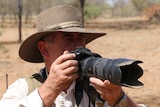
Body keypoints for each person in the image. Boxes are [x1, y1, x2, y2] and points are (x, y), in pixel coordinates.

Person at [0, 5, 146, 107]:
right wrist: (51, 88)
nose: (78, 46)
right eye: (68, 38)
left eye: (80, 38)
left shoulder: (97, 87)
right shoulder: (24, 88)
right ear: (44, 49)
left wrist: (119, 99)